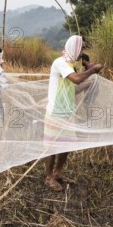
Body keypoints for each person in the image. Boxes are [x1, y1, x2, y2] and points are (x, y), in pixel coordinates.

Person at [44, 36, 103, 191]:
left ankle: (58, 173)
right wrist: (92, 70)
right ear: (74, 48)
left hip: (67, 112)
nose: (83, 52)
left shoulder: (70, 66)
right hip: (55, 111)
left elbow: (73, 88)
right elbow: (76, 80)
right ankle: (49, 177)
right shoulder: (60, 63)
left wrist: (90, 83)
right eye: (81, 48)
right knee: (52, 146)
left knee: (66, 145)